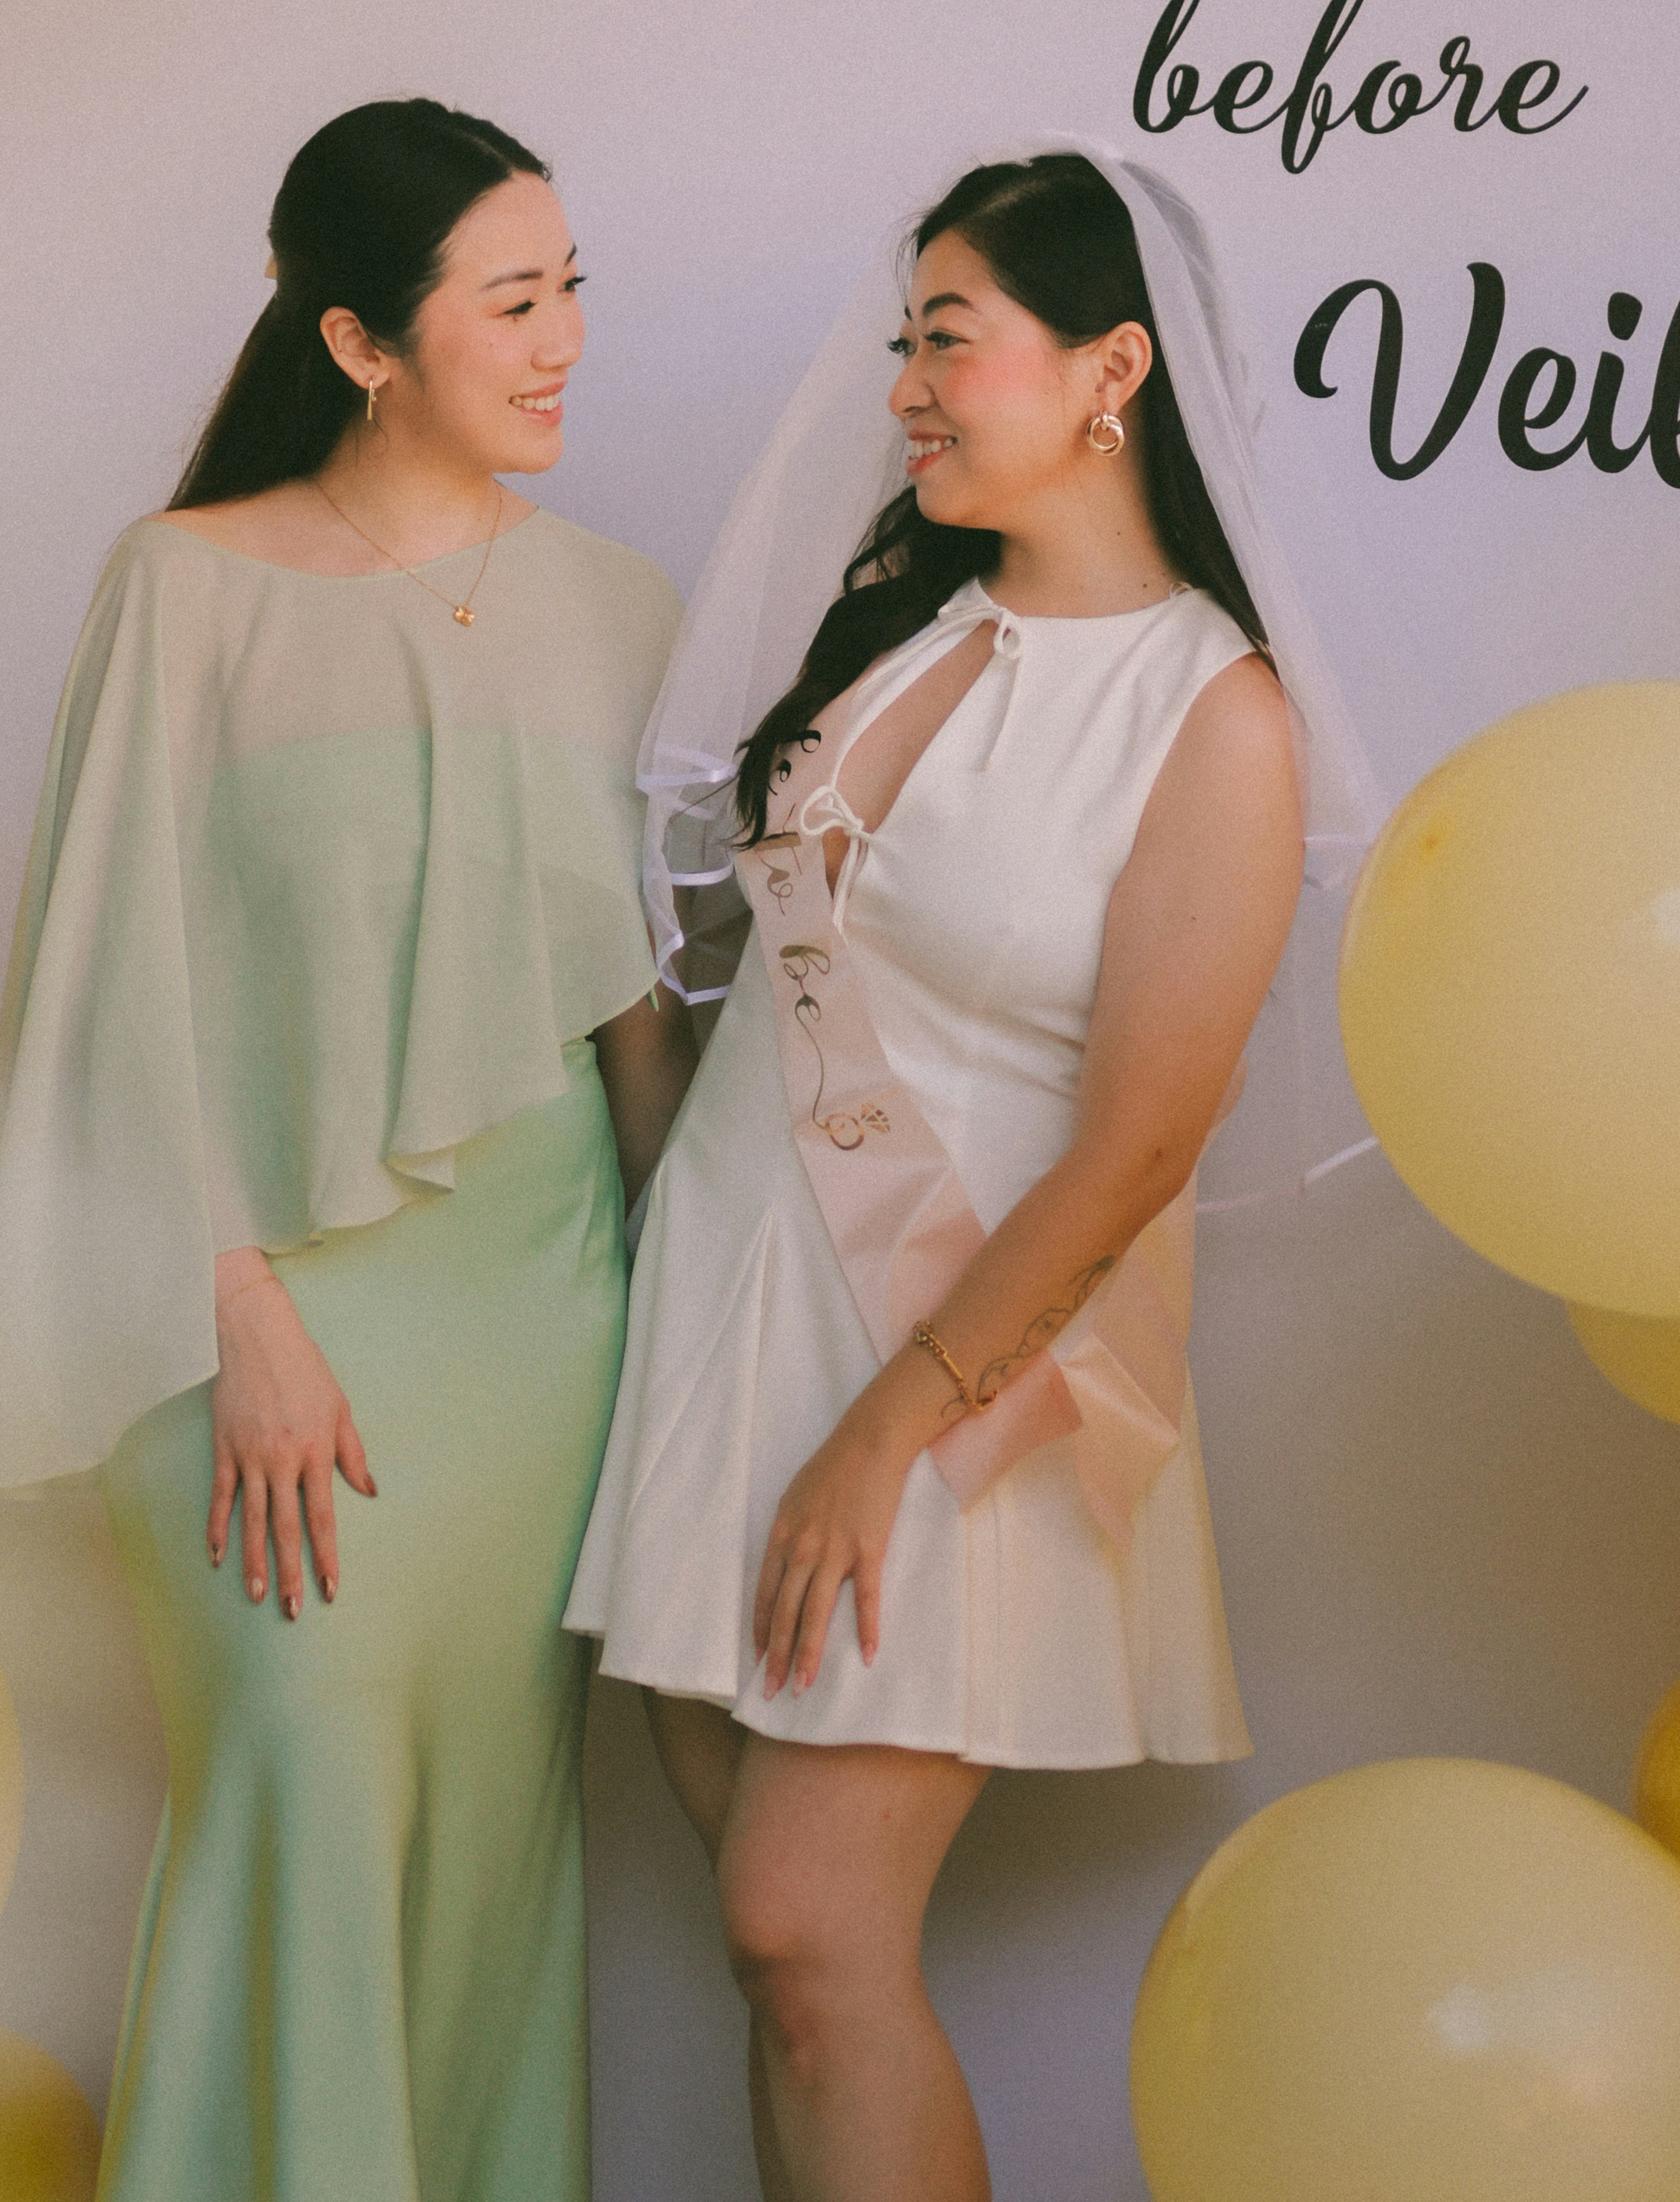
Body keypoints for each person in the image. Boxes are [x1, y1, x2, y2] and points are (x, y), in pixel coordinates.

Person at [566, 145, 1376, 2202]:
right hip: (729, 1327)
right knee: (788, 1965)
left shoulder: (1213, 716)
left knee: (801, 1927)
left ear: (1112, 369)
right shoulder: (902, 630)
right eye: (903, 343)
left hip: (951, 1372)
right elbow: (760, 1006)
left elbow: (1140, 1143)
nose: (903, 389)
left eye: (948, 340)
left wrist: (882, 1435)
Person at [0, 98, 698, 2202]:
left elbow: (640, 1021)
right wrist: (237, 1315)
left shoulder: (624, 609)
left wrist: (697, 1334)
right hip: (243, 1321)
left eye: (569, 291)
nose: (561, 342)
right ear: (361, 341)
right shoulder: (184, 588)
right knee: (296, 1791)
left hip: (541, 1336)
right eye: (510, 301)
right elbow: (106, 996)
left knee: (485, 1869)